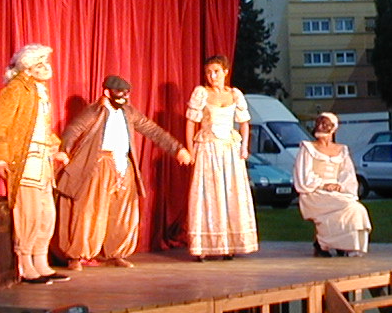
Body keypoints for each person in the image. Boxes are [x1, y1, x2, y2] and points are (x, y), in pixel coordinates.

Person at [54, 74, 191, 269]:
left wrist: (177, 149)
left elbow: (153, 130)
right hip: (99, 163)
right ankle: (77, 255)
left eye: (126, 94)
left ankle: (115, 252)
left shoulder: (128, 112)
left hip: (123, 165)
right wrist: (64, 151)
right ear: (106, 92)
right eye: (119, 93)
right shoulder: (94, 111)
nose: (123, 98)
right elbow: (73, 130)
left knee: (122, 211)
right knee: (90, 211)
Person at [0, 43, 69, 284]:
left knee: (46, 213)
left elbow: (42, 128)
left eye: (46, 63)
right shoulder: (16, 90)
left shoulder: (39, 92)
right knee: (28, 213)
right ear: (28, 69)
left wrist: (55, 148)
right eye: (40, 64)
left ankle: (41, 261)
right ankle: (24, 263)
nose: (46, 68)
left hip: (42, 161)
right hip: (25, 160)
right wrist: (0, 157)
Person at [183, 55, 258, 259]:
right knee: (209, 192)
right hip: (208, 147)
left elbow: (244, 122)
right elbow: (191, 122)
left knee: (230, 192)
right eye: (208, 72)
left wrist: (244, 147)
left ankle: (229, 244)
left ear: (226, 72)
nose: (212, 76)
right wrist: (189, 149)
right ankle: (205, 246)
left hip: (229, 149)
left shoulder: (234, 94)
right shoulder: (201, 93)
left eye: (216, 71)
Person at [293, 111, 372, 256]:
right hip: (314, 192)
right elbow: (304, 175)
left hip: (337, 193)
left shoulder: (341, 150)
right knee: (347, 206)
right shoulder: (308, 149)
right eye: (319, 123)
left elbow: (347, 174)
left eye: (325, 124)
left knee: (356, 209)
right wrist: (323, 185)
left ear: (333, 128)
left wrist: (340, 186)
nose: (320, 127)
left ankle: (341, 244)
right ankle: (324, 243)